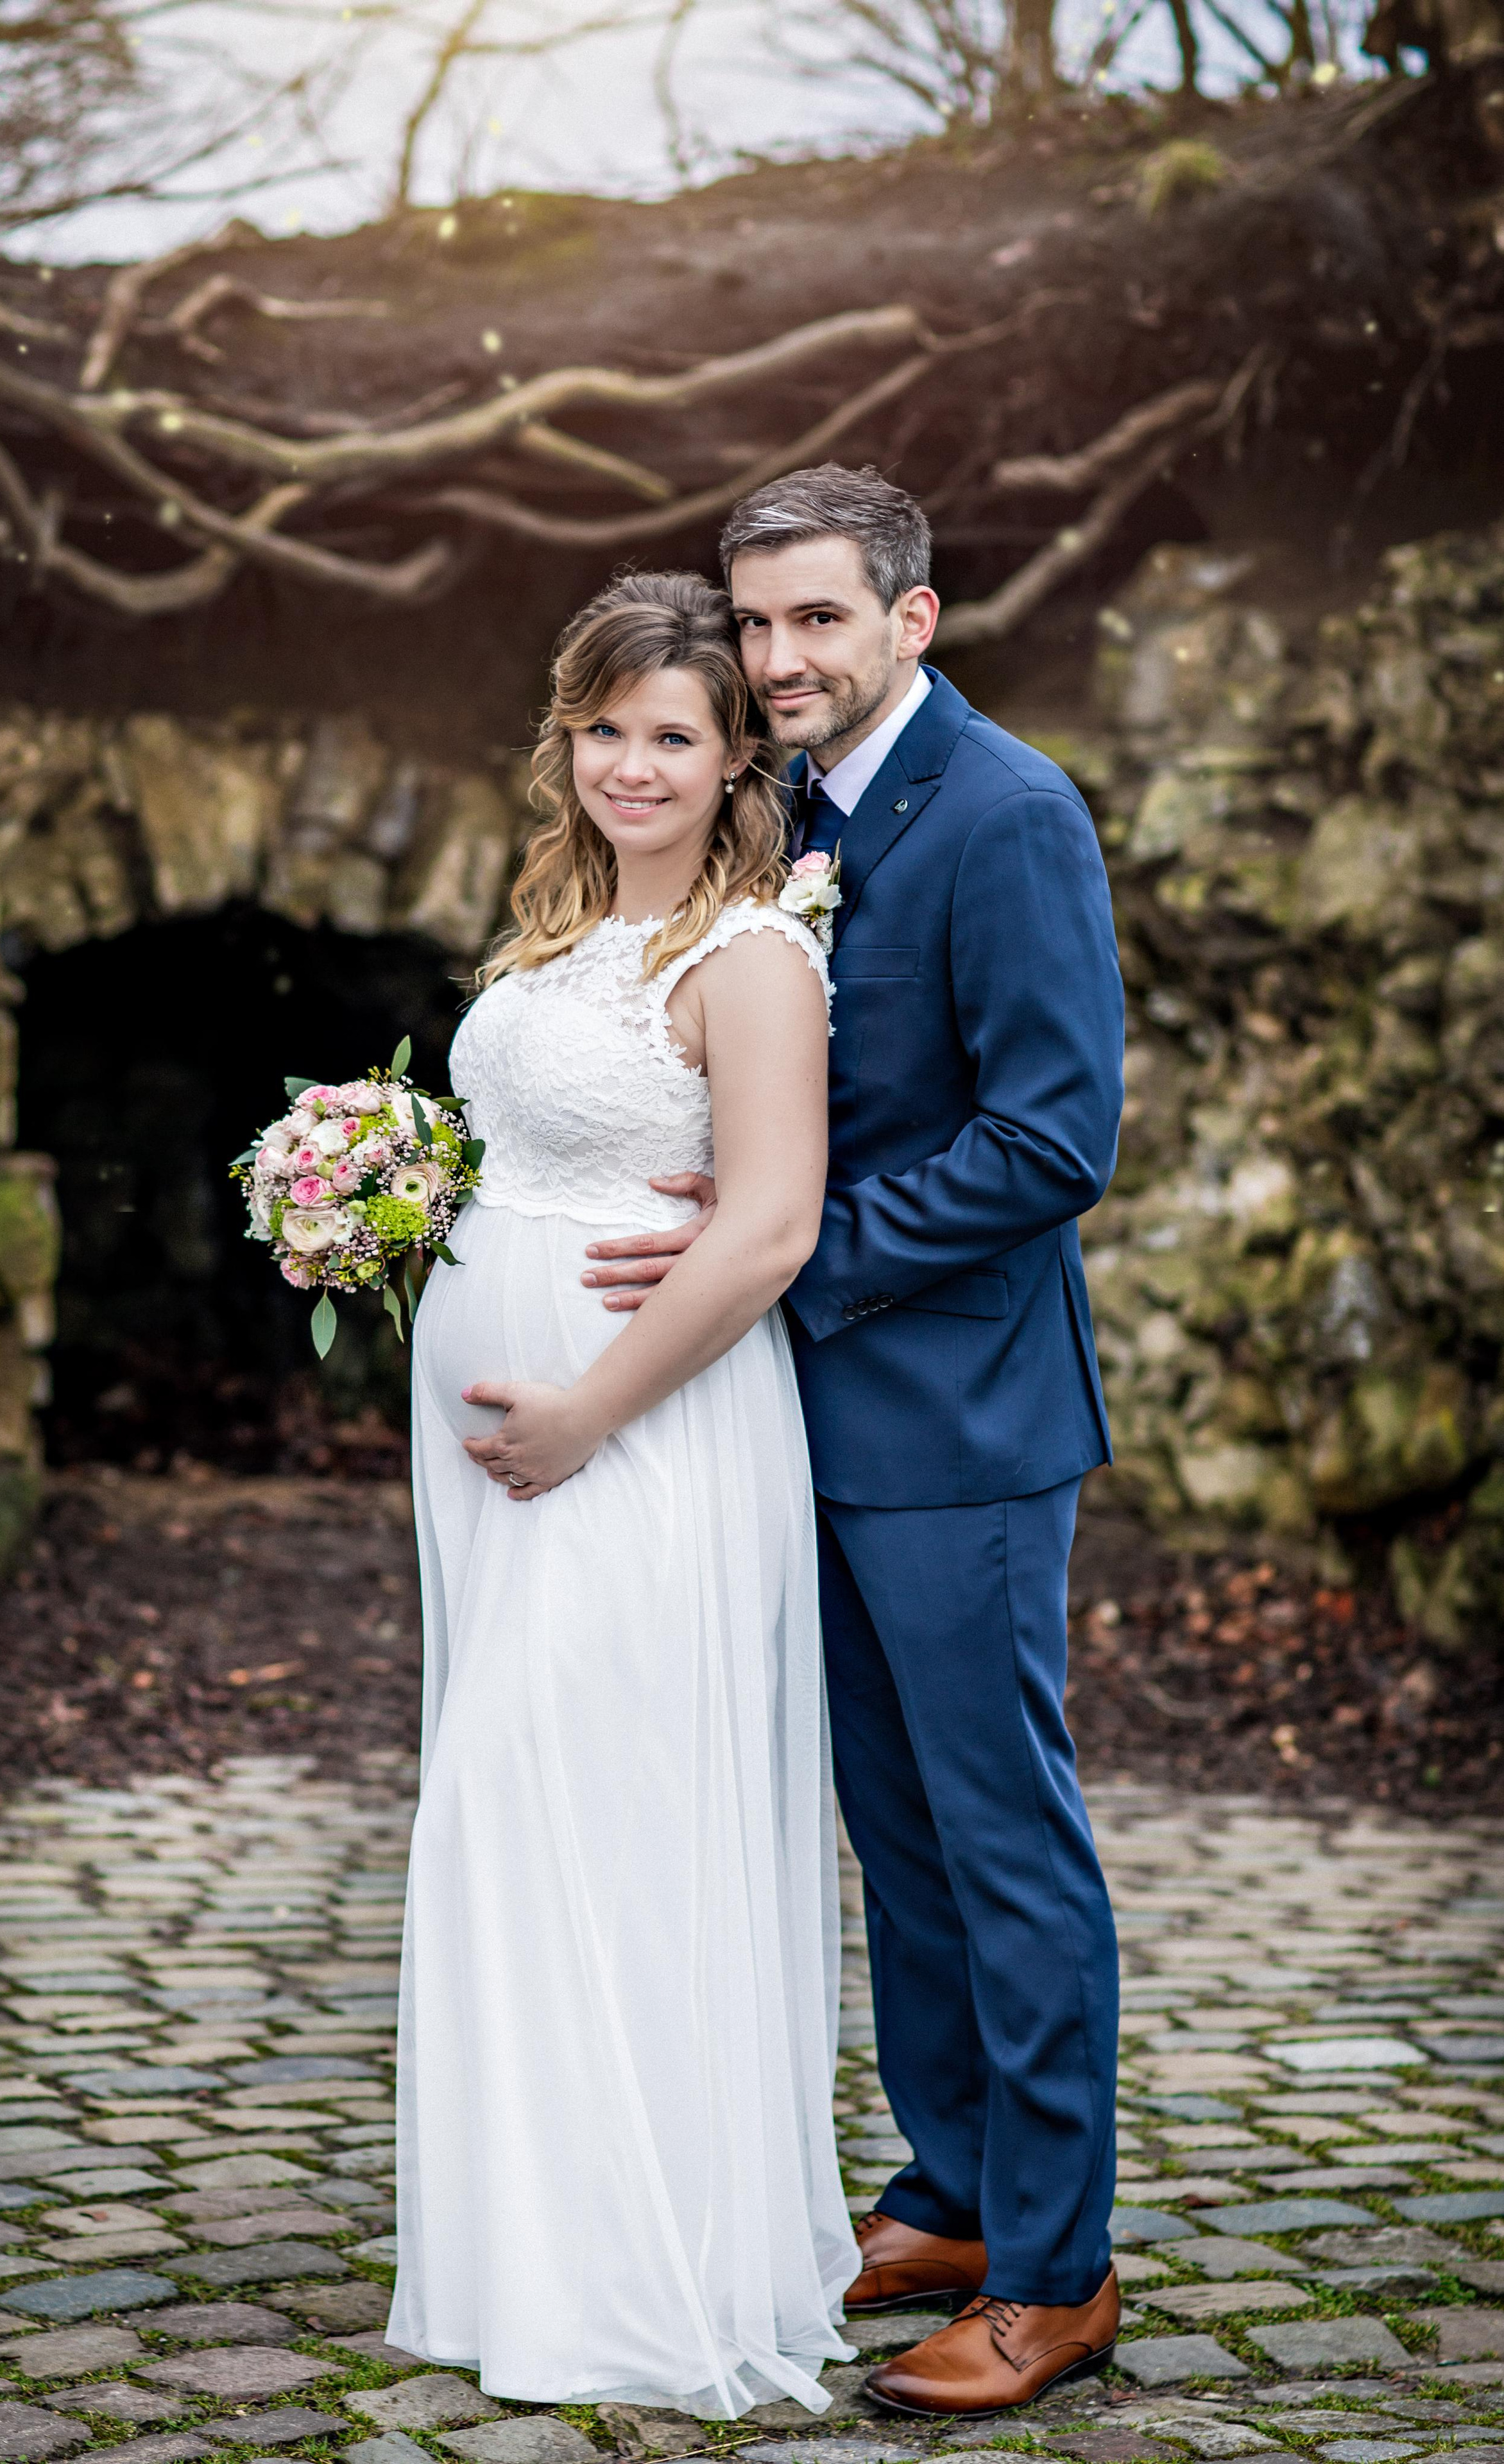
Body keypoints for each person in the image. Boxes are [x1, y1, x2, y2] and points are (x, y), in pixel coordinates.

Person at [581, 464, 1127, 2422]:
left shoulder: (1006, 810)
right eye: (756, 620)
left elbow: (1057, 1139)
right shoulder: (786, 809)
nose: (779, 655)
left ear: (912, 616)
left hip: (959, 1414)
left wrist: (780, 1249)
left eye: (819, 617)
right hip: (796, 1415)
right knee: (896, 1841)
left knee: (1004, 1846)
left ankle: (1059, 2276)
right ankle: (960, 2192)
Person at [388, 570, 858, 2415]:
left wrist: (584, 1409)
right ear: (563, 740)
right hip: (505, 1464)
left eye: (674, 733)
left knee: (597, 1808)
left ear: (739, 752)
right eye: (605, 729)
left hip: (645, 1444)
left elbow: (769, 1229)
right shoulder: (561, 935)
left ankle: (648, 2267)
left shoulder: (748, 956)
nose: (633, 764)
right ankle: (533, 2250)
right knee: (518, 1822)